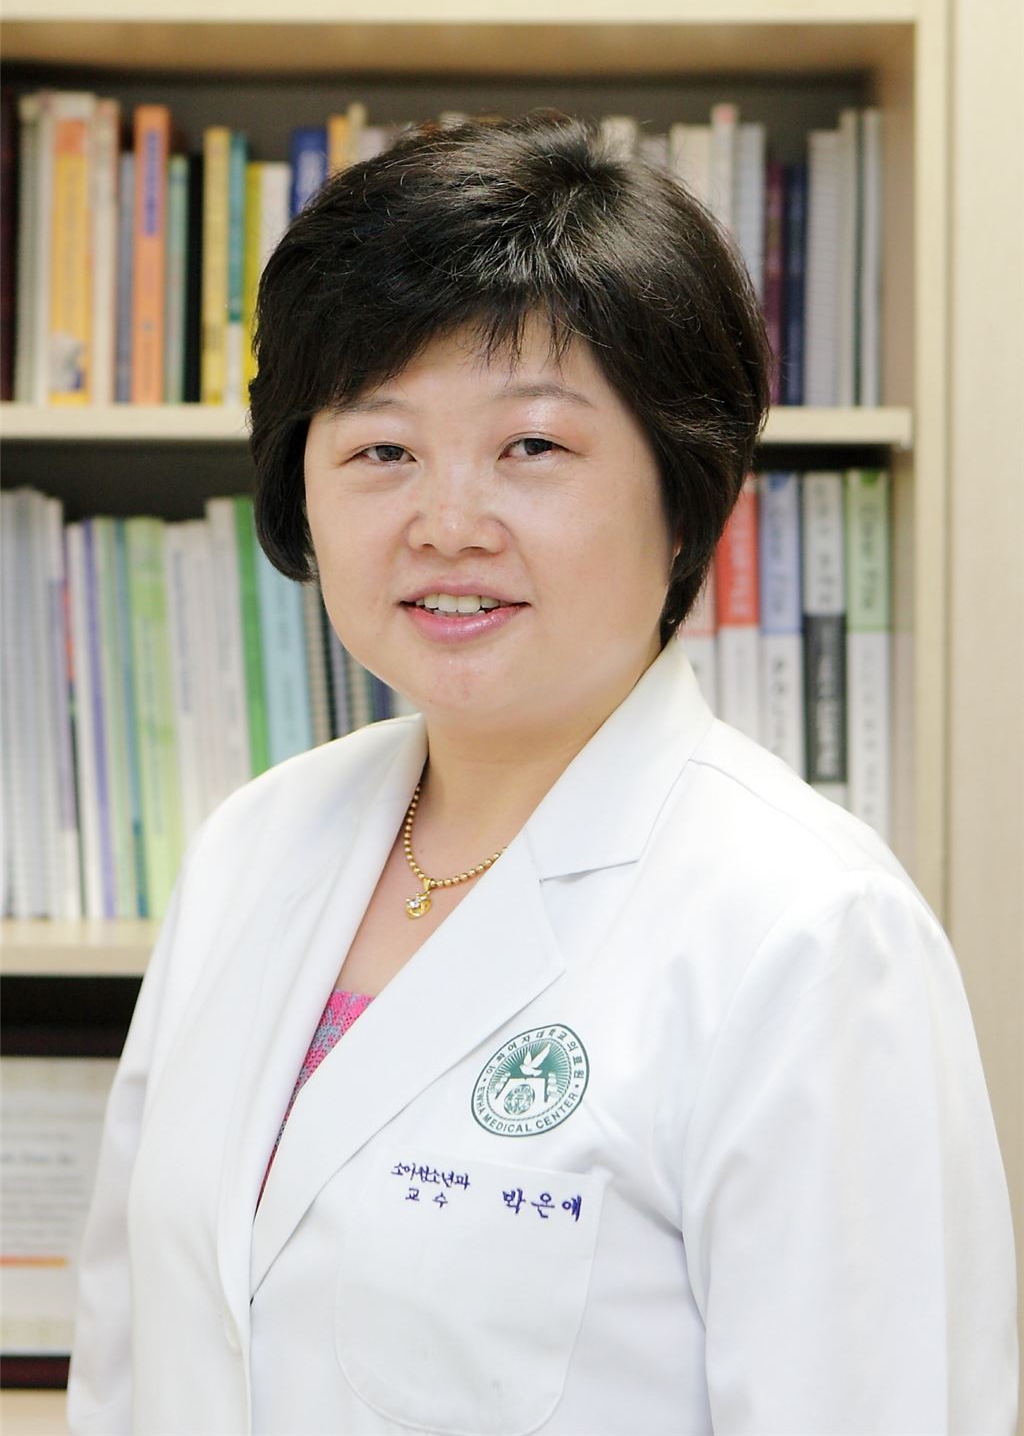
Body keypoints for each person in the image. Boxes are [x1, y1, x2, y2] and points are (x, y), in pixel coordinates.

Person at [68, 113, 1017, 1436]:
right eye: (381, 450)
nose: (447, 524)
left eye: (533, 448)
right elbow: (130, 1357)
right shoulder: (254, 843)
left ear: (682, 495)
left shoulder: (808, 931)